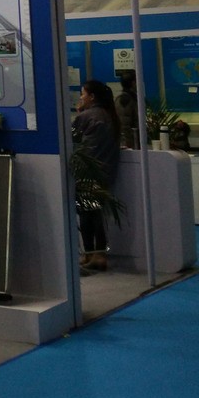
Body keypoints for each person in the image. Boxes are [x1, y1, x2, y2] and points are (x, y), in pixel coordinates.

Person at [74, 79, 122, 273]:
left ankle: (91, 254)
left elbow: (72, 140)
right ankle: (97, 254)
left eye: (83, 93)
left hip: (87, 170)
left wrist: (79, 114)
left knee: (87, 214)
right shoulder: (110, 116)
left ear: (92, 97)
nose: (81, 97)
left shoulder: (86, 117)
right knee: (96, 213)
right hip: (106, 171)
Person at [114, 71, 139, 149]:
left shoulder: (131, 98)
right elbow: (124, 124)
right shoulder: (125, 100)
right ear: (133, 83)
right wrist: (129, 143)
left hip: (133, 140)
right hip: (129, 143)